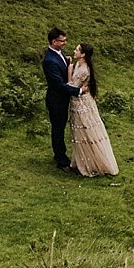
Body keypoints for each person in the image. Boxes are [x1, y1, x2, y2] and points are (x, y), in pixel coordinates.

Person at [67, 42, 118, 177]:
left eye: (77, 50)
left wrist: (69, 70)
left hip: (81, 104)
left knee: (85, 132)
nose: (74, 51)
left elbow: (72, 86)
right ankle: (80, 161)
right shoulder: (80, 64)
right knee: (80, 132)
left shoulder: (83, 69)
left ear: (83, 54)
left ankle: (88, 164)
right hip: (79, 101)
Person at [41, 27, 81, 173]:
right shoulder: (50, 60)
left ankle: (59, 154)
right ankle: (61, 159)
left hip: (61, 99)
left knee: (60, 127)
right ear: (53, 41)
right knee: (57, 129)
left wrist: (68, 62)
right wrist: (79, 91)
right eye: (62, 41)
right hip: (56, 100)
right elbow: (58, 85)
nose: (65, 43)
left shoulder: (58, 54)